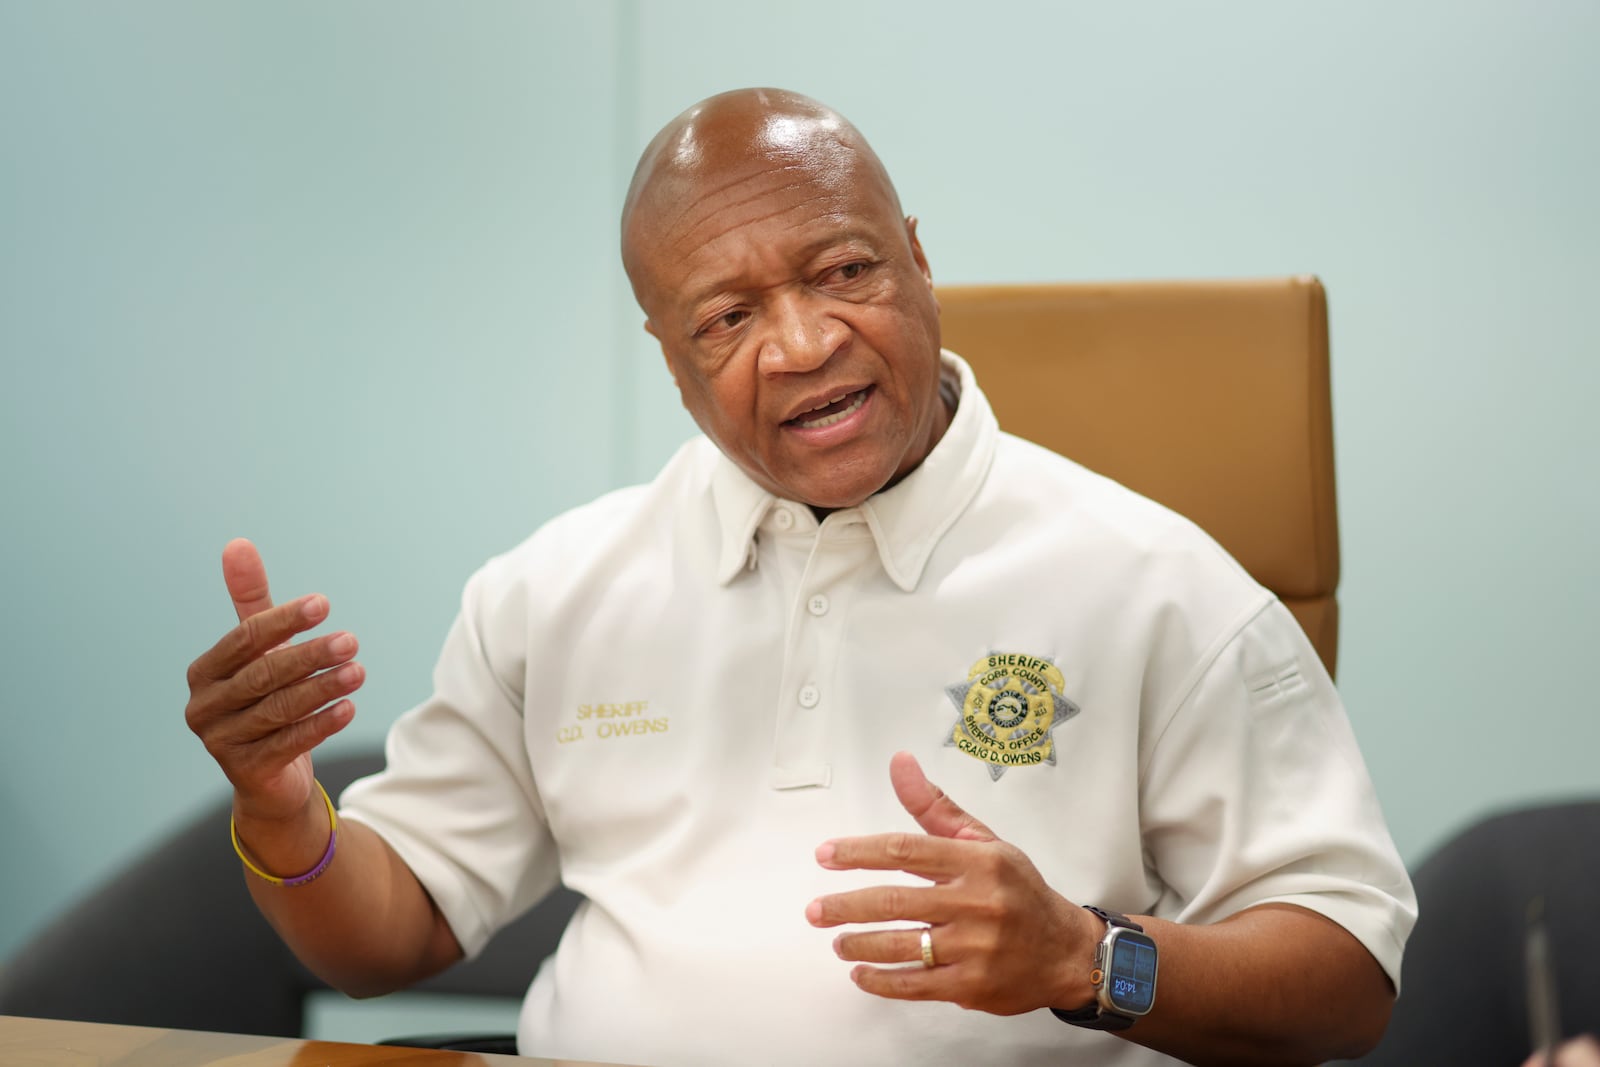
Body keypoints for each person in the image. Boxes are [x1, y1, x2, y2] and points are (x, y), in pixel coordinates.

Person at [185, 88, 1416, 1066]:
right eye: (725, 316)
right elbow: (387, 935)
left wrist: (1087, 959)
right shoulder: (552, 589)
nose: (804, 342)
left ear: (918, 258)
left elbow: (1344, 979)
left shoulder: (1158, 586)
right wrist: (284, 809)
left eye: (842, 271)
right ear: (669, 358)